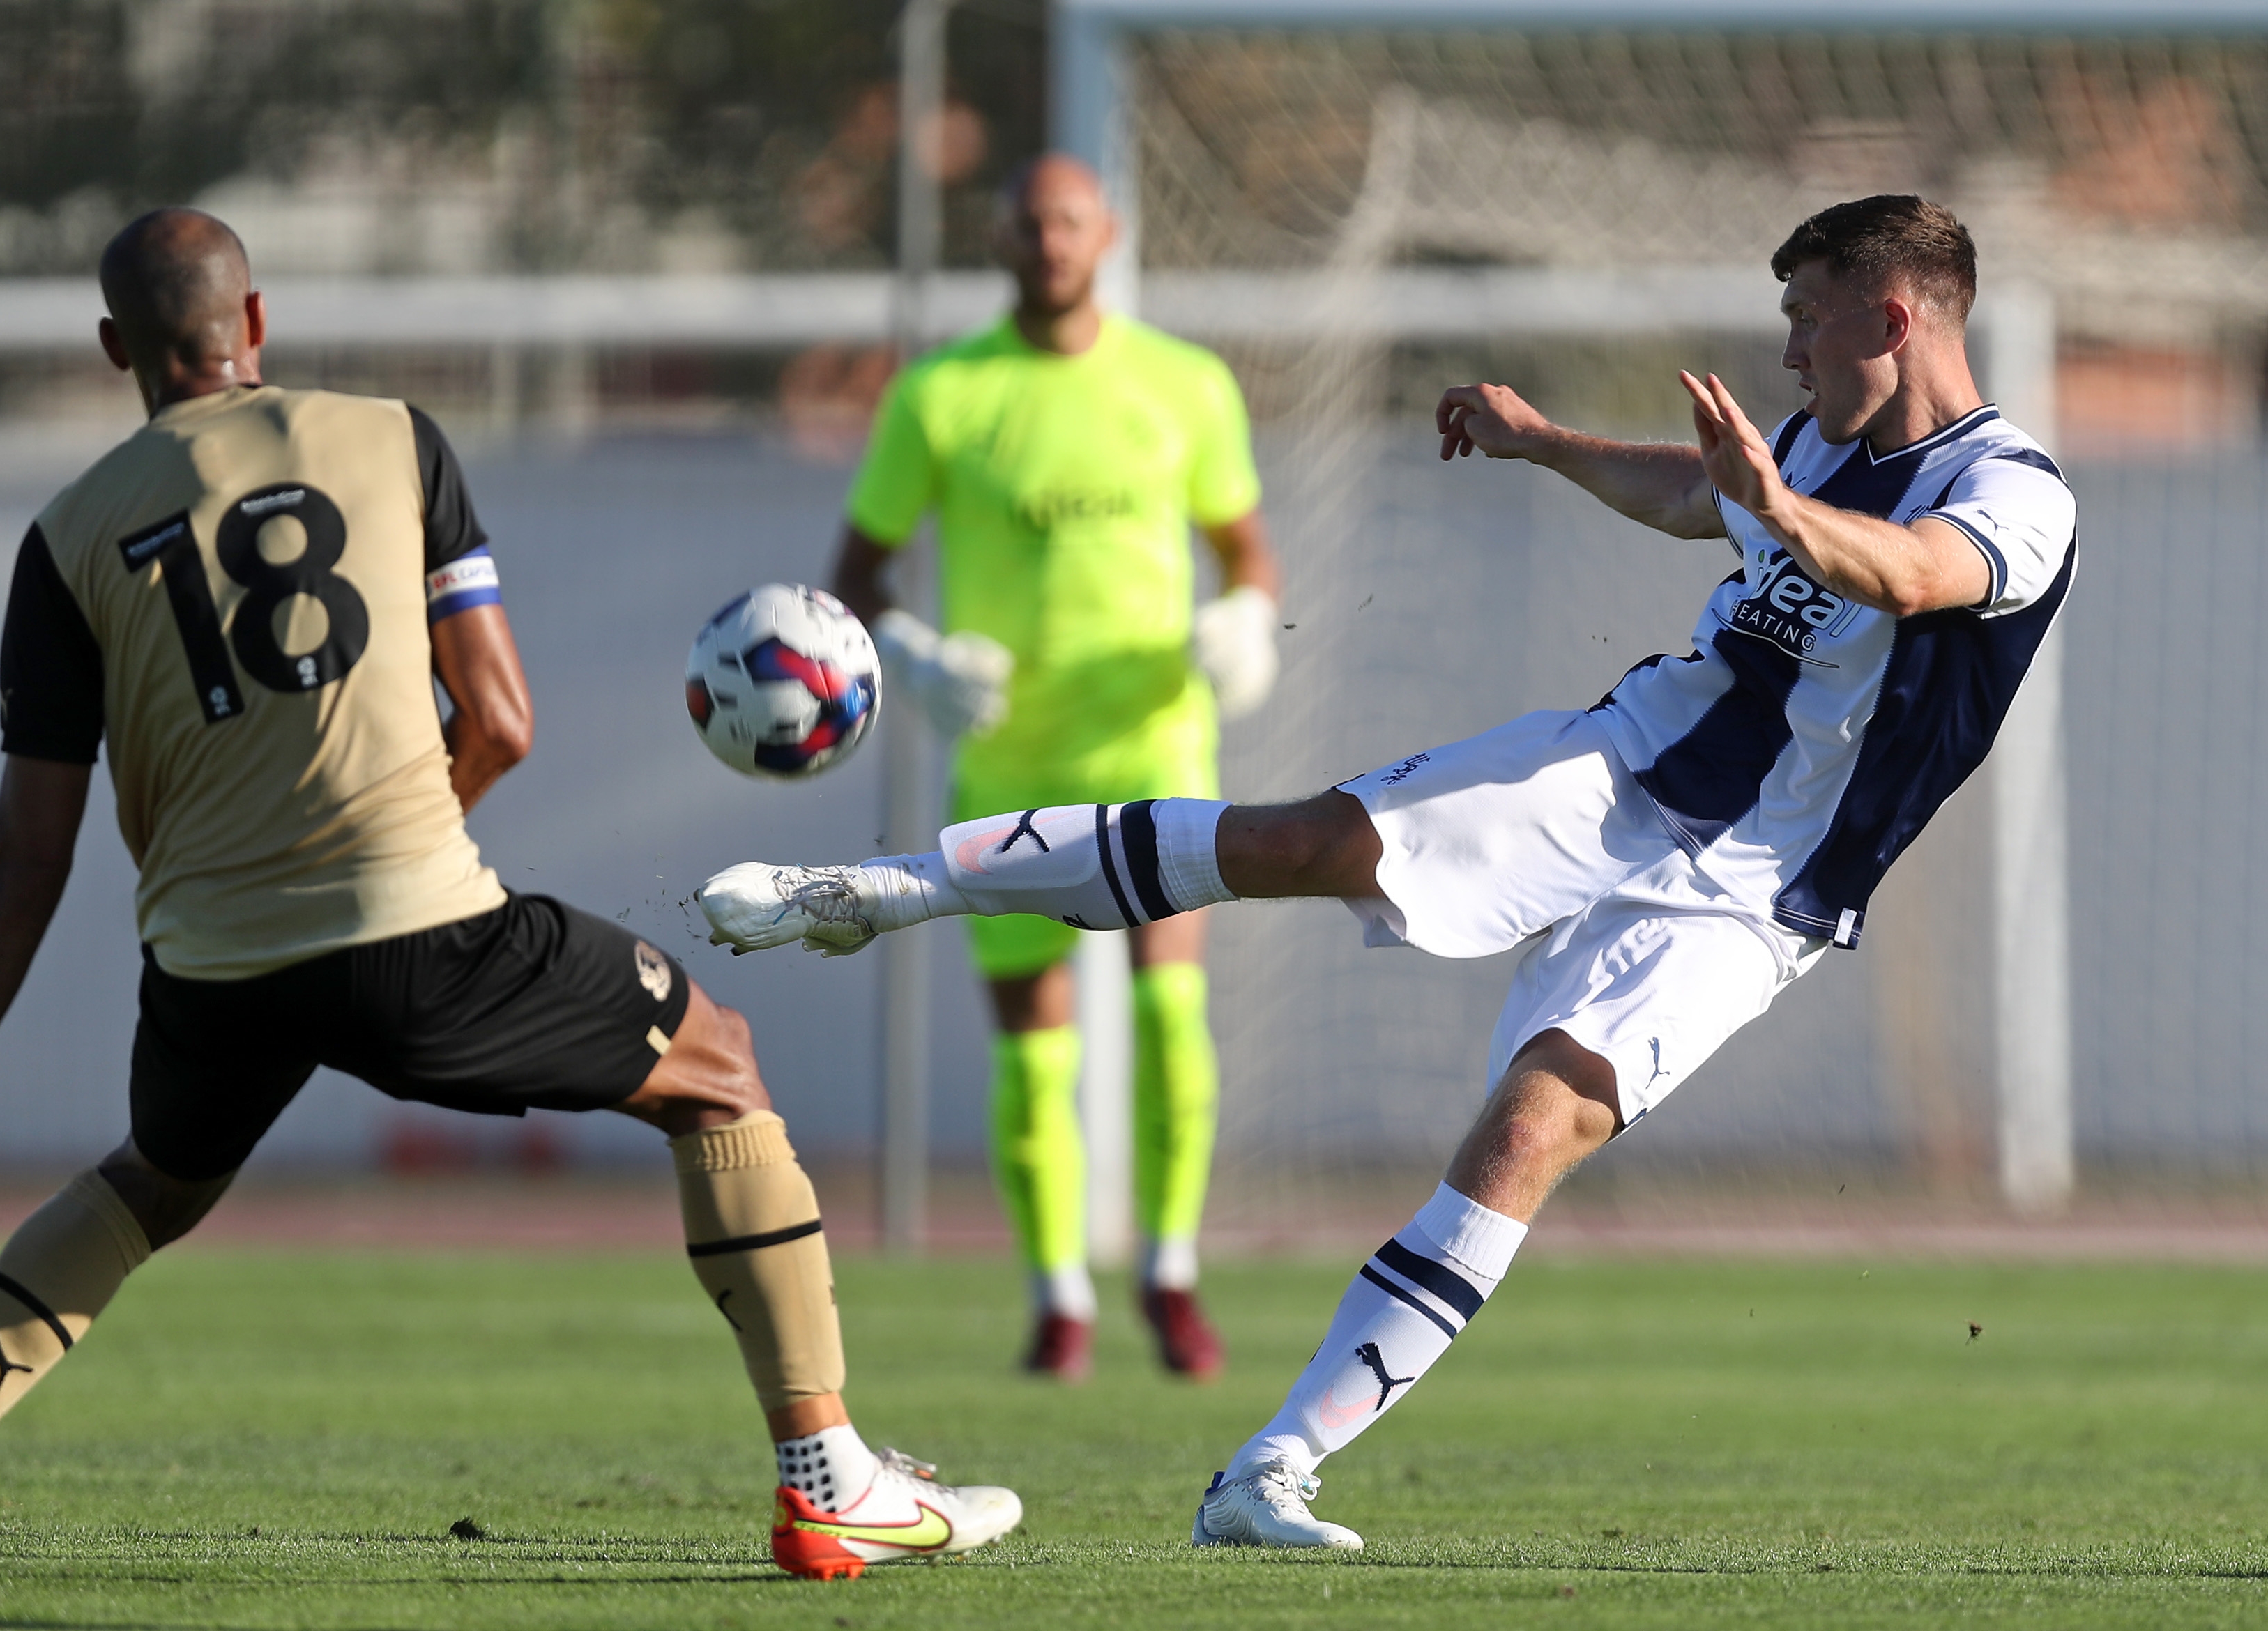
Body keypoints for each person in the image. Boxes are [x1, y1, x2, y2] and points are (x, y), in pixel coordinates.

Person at [699, 194, 2073, 1547]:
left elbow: (1908, 576)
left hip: (1760, 894)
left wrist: (1772, 497)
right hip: (1621, 769)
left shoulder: (2008, 494)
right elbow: (1697, 495)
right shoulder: (1813, 447)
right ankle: (873, 892)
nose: (1790, 354)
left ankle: (1268, 1474)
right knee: (1305, 840)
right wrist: (1544, 444)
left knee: (1531, 1134)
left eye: (1807, 320)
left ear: (1893, 317)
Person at [0, 208, 1019, 1585]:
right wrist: (383, 851)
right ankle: (829, 1481)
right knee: (721, 1072)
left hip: (212, 964)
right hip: (419, 924)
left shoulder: (67, 536)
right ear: (254, 324)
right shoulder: (393, 437)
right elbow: (501, 720)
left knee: (153, 1182)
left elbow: (26, 855)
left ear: (115, 351)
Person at [833, 155, 1282, 1381]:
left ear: (1108, 235)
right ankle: (1057, 1299)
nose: (1049, 241)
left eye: (1069, 221)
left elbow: (1245, 551)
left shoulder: (1181, 385)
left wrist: (1242, 620)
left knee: (1168, 1011)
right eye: (1029, 222)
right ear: (1002, 238)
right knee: (1033, 1050)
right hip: (1008, 767)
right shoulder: (940, 395)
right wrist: (911, 654)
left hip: (1154, 750)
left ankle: (1172, 1277)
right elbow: (856, 579)